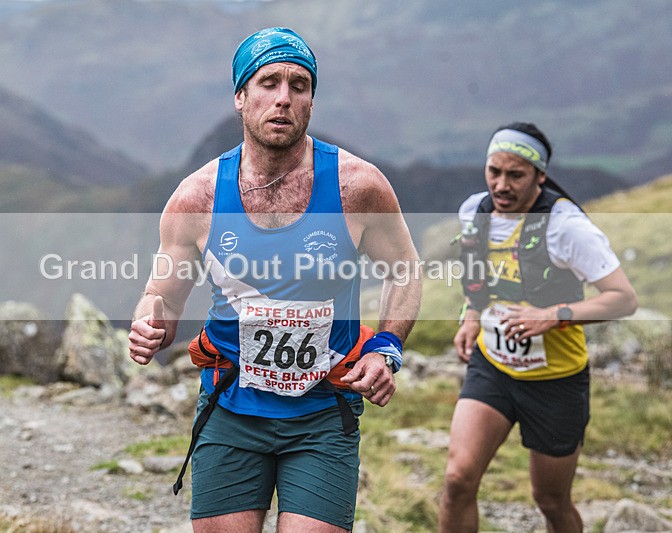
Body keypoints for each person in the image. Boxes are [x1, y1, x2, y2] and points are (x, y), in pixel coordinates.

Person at [128, 27, 421, 533]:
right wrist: (148, 323)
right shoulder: (197, 197)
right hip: (231, 405)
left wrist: (387, 347)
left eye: (299, 85)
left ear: (311, 101)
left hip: (324, 409)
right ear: (240, 97)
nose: (284, 98)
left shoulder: (358, 186)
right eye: (268, 82)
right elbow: (162, 295)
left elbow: (406, 270)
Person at [439, 122, 638, 532]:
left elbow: (623, 298)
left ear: (540, 176)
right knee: (458, 481)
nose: (502, 185)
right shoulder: (473, 212)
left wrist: (551, 316)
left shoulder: (567, 227)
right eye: (494, 172)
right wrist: (472, 316)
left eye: (516, 175)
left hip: (556, 381)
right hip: (493, 368)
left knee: (549, 499)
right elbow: (479, 274)